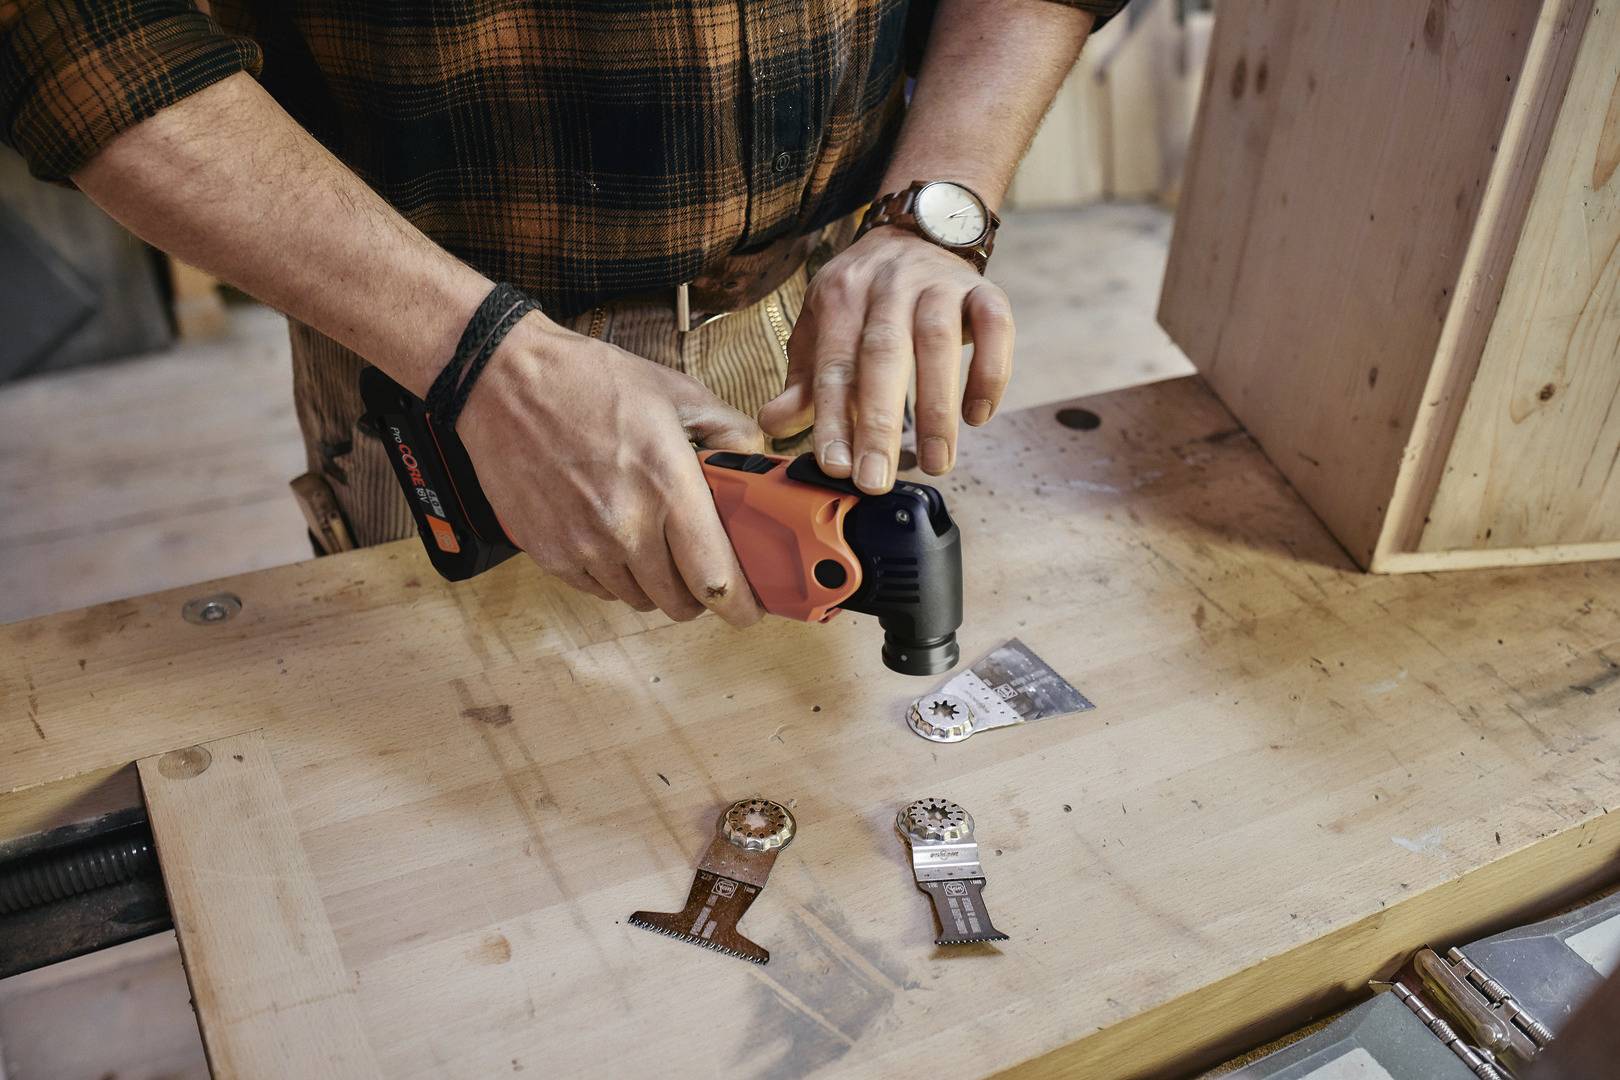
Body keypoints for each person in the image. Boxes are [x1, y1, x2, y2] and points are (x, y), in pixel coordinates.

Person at [1, 0, 1122, 627]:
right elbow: (76, 36)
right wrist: (483, 359)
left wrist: (933, 209)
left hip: (806, 325)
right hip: (430, 359)